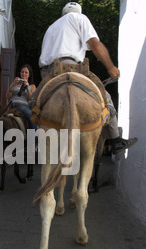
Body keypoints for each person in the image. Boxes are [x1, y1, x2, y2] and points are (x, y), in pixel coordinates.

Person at [34, 2, 137, 155]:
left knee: (36, 104)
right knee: (104, 96)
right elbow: (95, 45)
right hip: (67, 66)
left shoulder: (52, 27)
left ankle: (37, 141)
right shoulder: (79, 18)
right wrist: (110, 67)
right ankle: (115, 140)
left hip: (46, 74)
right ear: (78, 12)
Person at [7, 64, 37, 129]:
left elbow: (31, 99)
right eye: (22, 72)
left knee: (31, 116)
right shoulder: (14, 84)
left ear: (29, 75)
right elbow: (8, 96)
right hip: (11, 104)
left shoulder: (32, 86)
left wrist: (27, 88)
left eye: (26, 72)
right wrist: (13, 84)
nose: (24, 74)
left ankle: (34, 138)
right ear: (20, 73)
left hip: (22, 106)